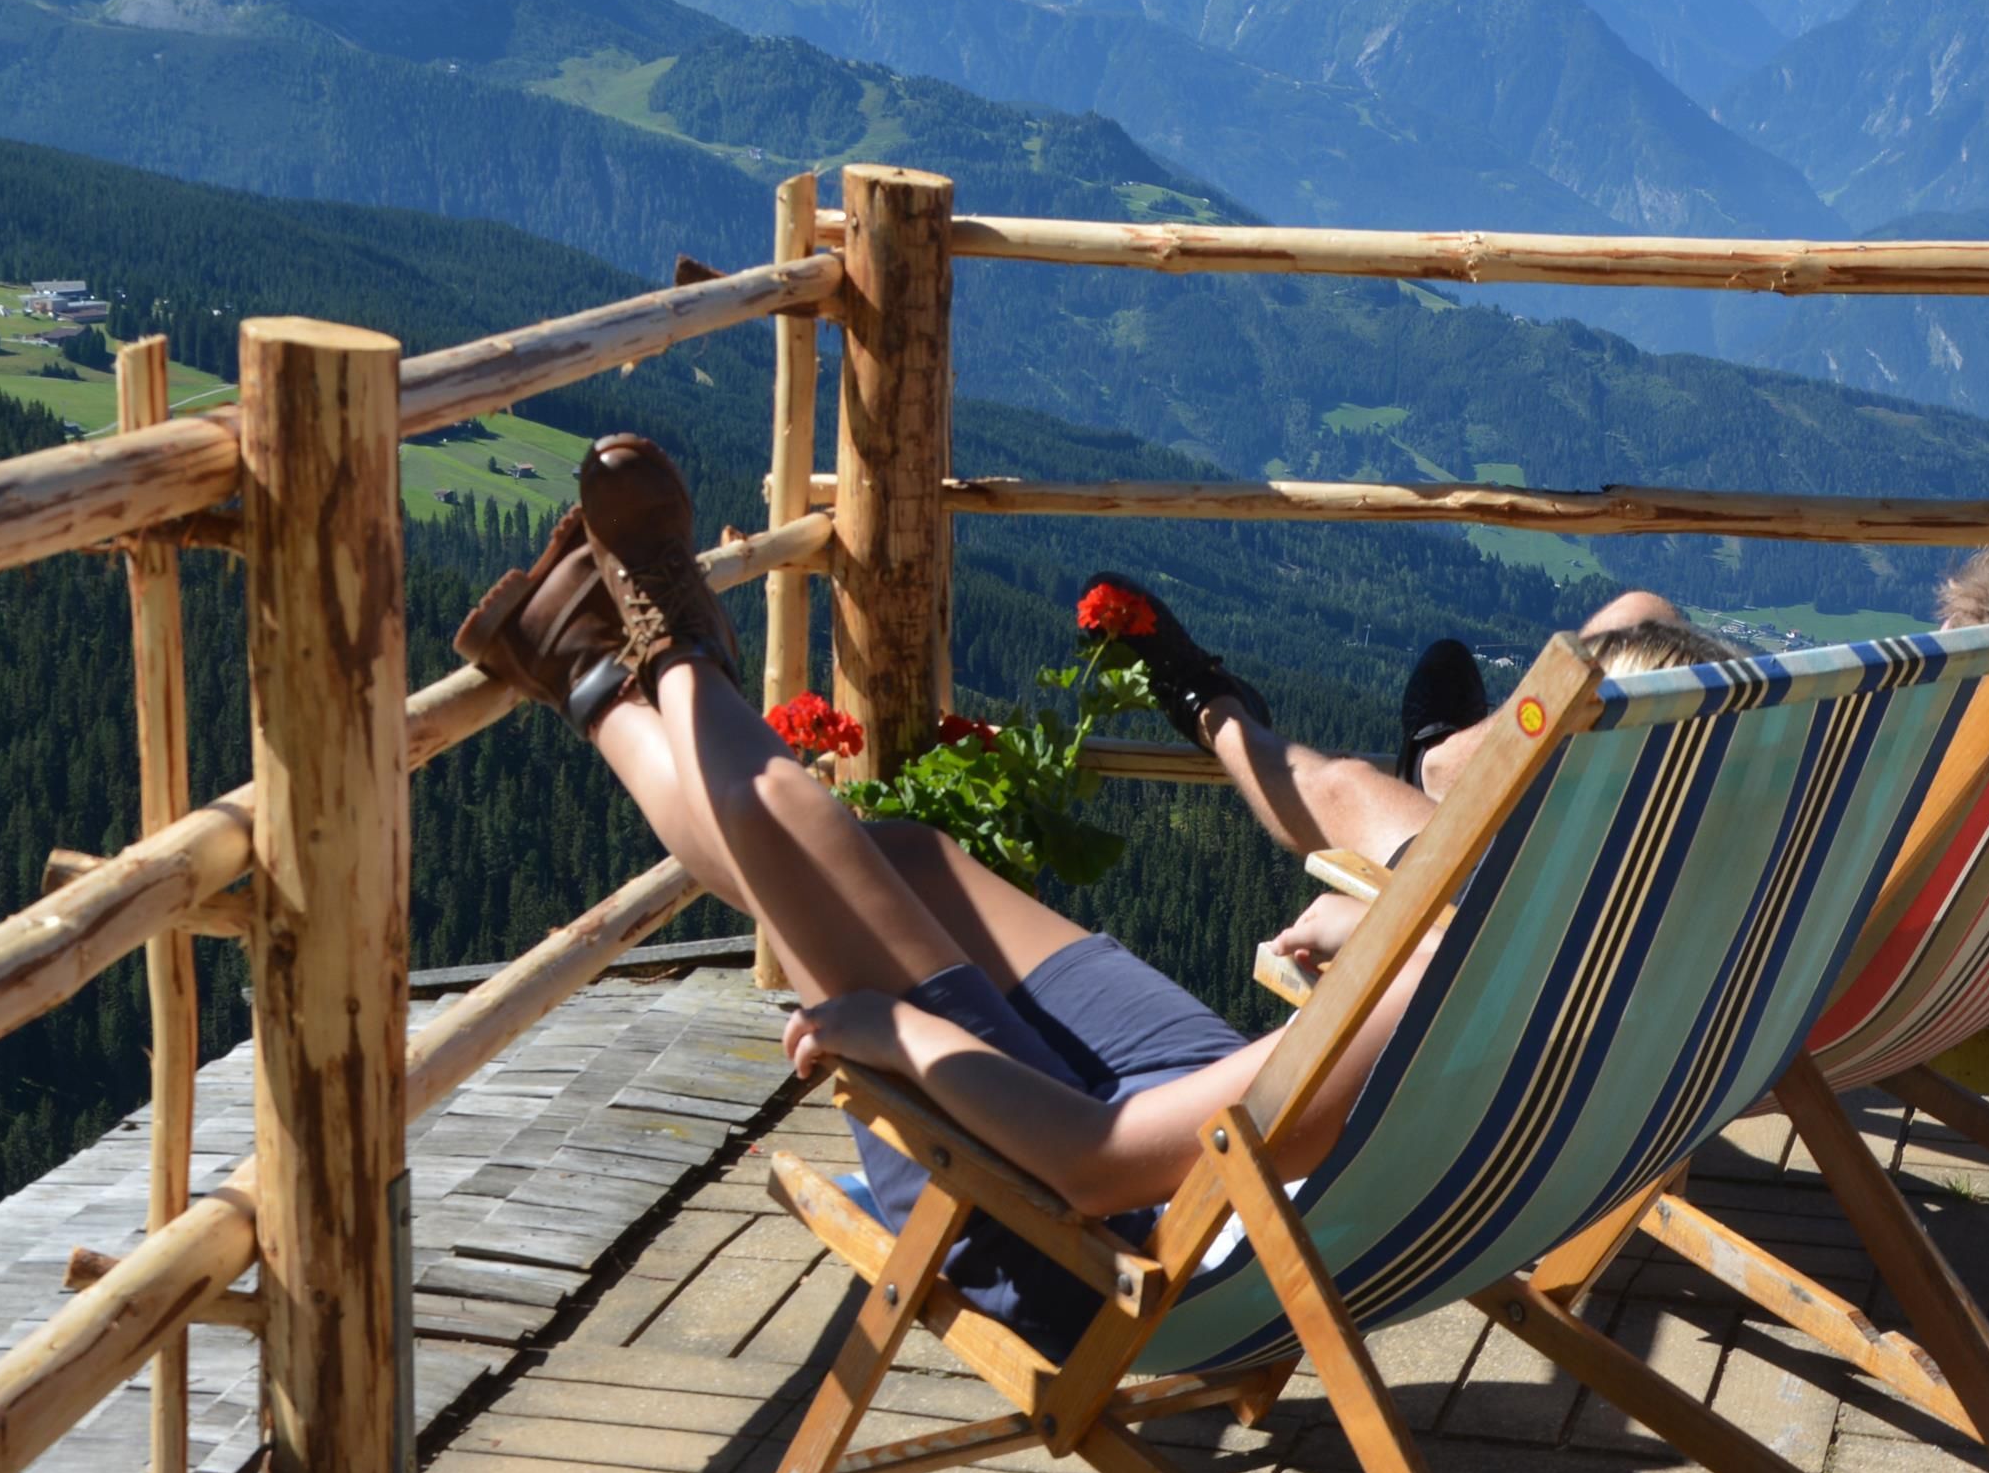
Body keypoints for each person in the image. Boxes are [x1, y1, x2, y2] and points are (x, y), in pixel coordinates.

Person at [458, 435, 1557, 1353]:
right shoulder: (1599, 949)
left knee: (800, 827)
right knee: (905, 855)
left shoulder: (1458, 986)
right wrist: (1388, 933)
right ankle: (586, 662)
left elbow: (1088, 1165)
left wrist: (894, 1030)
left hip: (1113, 1236)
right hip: (1236, 1149)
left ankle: (660, 650)